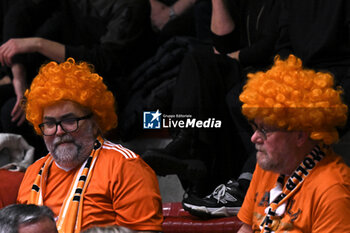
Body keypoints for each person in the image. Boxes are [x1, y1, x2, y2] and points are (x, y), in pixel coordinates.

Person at [143, 0, 279, 202]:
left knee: (202, 65)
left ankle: (191, 150)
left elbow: (274, 45)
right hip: (243, 69)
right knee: (196, 60)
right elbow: (223, 44)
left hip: (275, 71)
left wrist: (237, 56)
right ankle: (188, 143)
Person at [17, 58, 163, 233]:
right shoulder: (34, 172)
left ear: (94, 123)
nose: (59, 131)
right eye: (49, 123)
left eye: (69, 120)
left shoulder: (125, 166)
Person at [0, 0, 158, 158]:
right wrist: (18, 76)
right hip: (60, 77)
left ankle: (53, 171)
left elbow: (103, 61)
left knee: (12, 114)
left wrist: (39, 44)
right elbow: (20, 12)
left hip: (104, 84)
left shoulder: (132, 6)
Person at [236, 55, 350, 232]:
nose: (254, 138)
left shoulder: (332, 190)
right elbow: (246, 229)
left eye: (265, 130)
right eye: (255, 127)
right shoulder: (267, 167)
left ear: (299, 135)